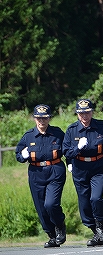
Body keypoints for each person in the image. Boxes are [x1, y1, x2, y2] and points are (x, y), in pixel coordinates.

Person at [62, 99, 103, 246]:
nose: (84, 116)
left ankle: (101, 226)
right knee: (84, 203)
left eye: (87, 112)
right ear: (77, 114)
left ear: (92, 112)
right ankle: (95, 231)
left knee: (96, 198)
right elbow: (66, 151)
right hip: (80, 168)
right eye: (81, 113)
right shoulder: (72, 130)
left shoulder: (102, 126)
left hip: (99, 167)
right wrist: (77, 148)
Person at [15, 104, 67, 248]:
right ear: (34, 118)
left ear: (49, 118)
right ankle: (51, 235)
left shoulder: (57, 133)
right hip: (36, 173)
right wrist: (22, 155)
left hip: (55, 170)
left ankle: (59, 225)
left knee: (51, 204)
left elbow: (67, 149)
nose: (41, 121)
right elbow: (18, 155)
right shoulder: (28, 136)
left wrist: (71, 163)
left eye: (44, 118)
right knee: (41, 208)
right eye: (38, 118)